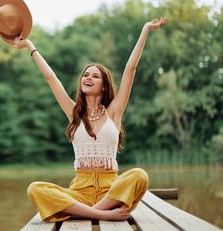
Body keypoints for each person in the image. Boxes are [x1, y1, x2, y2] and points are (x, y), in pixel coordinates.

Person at [14, 16, 168, 222]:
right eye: (86, 75)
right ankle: (100, 214)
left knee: (140, 176)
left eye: (95, 76)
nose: (88, 78)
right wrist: (30, 45)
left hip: (111, 191)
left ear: (104, 86)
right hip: (79, 191)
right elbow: (51, 77)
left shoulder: (114, 111)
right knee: (35, 189)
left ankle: (85, 212)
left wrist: (146, 29)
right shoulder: (73, 112)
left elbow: (130, 68)